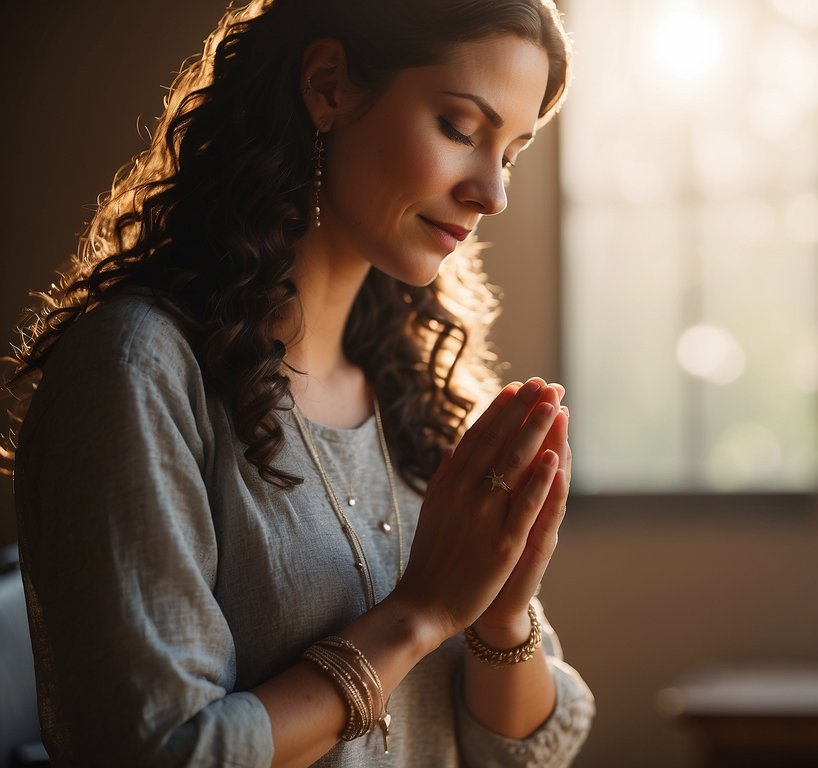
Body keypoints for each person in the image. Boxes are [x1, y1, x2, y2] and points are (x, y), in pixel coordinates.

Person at [0, 0, 594, 765]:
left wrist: (502, 618)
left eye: (509, 153)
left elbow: (516, 750)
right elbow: (169, 752)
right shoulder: (140, 370)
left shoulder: (416, 390)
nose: (493, 192)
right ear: (328, 86)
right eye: (459, 129)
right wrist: (419, 615)